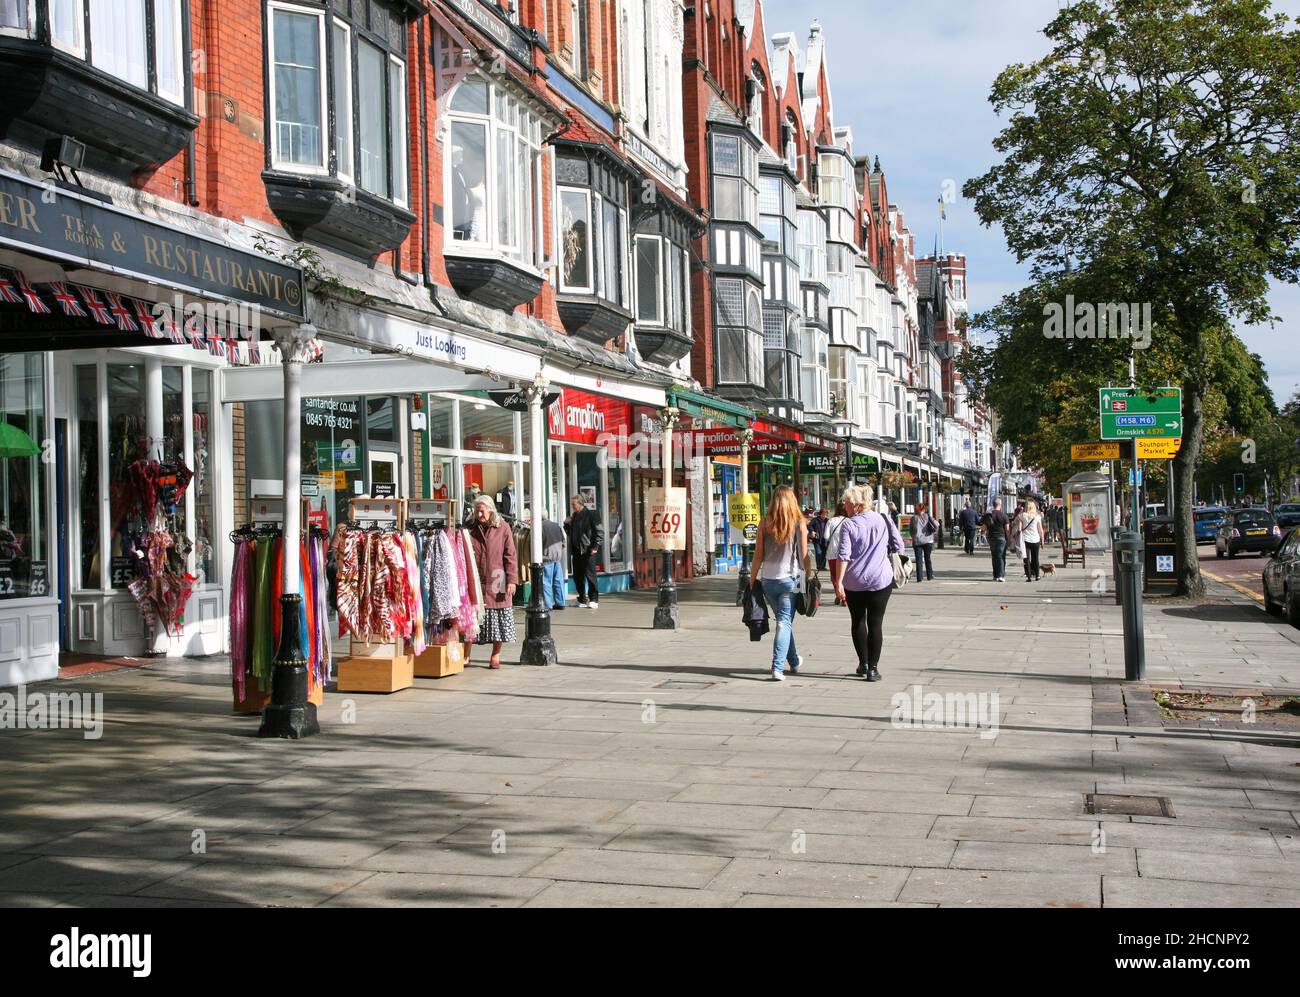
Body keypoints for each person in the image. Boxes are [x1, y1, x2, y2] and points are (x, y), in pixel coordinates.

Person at [833, 484, 904, 682]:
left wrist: (838, 582)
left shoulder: (849, 524)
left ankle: (863, 663)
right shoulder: (883, 519)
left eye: (846, 503)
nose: (844, 506)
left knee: (858, 621)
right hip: (880, 579)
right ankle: (873, 669)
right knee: (876, 623)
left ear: (856, 505)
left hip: (854, 581)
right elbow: (899, 545)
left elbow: (843, 555)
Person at [752, 485, 807, 681]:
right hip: (789, 580)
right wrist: (807, 578)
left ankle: (793, 660)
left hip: (768, 581)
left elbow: (757, 556)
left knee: (784, 622)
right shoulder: (799, 523)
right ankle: (777, 667)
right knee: (784, 623)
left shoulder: (764, 523)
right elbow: (804, 556)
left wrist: (752, 580)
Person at [466, 494, 518, 669]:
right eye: (476, 511)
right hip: (475, 578)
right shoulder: (469, 527)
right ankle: (466, 655)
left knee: (498, 618)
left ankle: (495, 655)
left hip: (497, 578)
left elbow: (510, 555)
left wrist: (512, 580)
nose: (479, 515)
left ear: (490, 510)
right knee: (471, 620)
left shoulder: (503, 527)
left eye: (481, 511)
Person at [565, 495, 603, 609]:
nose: (572, 507)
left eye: (573, 504)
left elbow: (599, 531)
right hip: (576, 550)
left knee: (590, 575)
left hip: (587, 550)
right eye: (571, 505)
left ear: (580, 504)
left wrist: (595, 546)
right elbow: (570, 533)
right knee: (578, 577)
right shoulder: (575, 515)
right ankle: (582, 598)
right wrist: (566, 524)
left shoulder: (590, 514)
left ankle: (594, 599)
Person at [540, 513, 567, 609]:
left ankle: (548, 604)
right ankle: (561, 602)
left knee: (546, 582)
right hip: (557, 558)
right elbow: (563, 542)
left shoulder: (539, 527)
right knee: (558, 581)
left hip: (546, 558)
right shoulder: (556, 525)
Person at [826, 500, 850, 605]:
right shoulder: (850, 521)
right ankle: (845, 598)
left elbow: (826, 537)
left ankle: (838, 594)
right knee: (845, 575)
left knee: (834, 575)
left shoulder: (831, 521)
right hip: (846, 553)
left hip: (832, 552)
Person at [981, 498, 1010, 582]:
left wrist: (984, 532)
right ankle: (1001, 575)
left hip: (991, 538)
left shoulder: (989, 515)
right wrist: (1009, 540)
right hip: (1001, 538)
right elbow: (1007, 529)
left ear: (993, 505)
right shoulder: (1004, 516)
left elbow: (984, 527)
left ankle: (995, 575)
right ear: (1000, 505)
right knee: (1001, 556)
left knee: (994, 556)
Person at [1017, 499, 1045, 581]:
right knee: (1035, 558)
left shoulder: (1022, 515)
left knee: (1026, 559)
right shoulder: (1037, 516)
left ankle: (1029, 576)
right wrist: (1042, 540)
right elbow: (1040, 530)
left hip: (1025, 540)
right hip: (1036, 540)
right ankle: (1037, 575)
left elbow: (1019, 529)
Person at [911, 502, 939, 582]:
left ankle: (919, 577)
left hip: (917, 541)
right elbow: (936, 524)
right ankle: (929, 576)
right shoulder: (927, 516)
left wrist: (913, 536)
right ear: (924, 509)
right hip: (928, 540)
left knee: (918, 559)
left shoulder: (914, 518)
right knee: (927, 558)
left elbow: (911, 529)